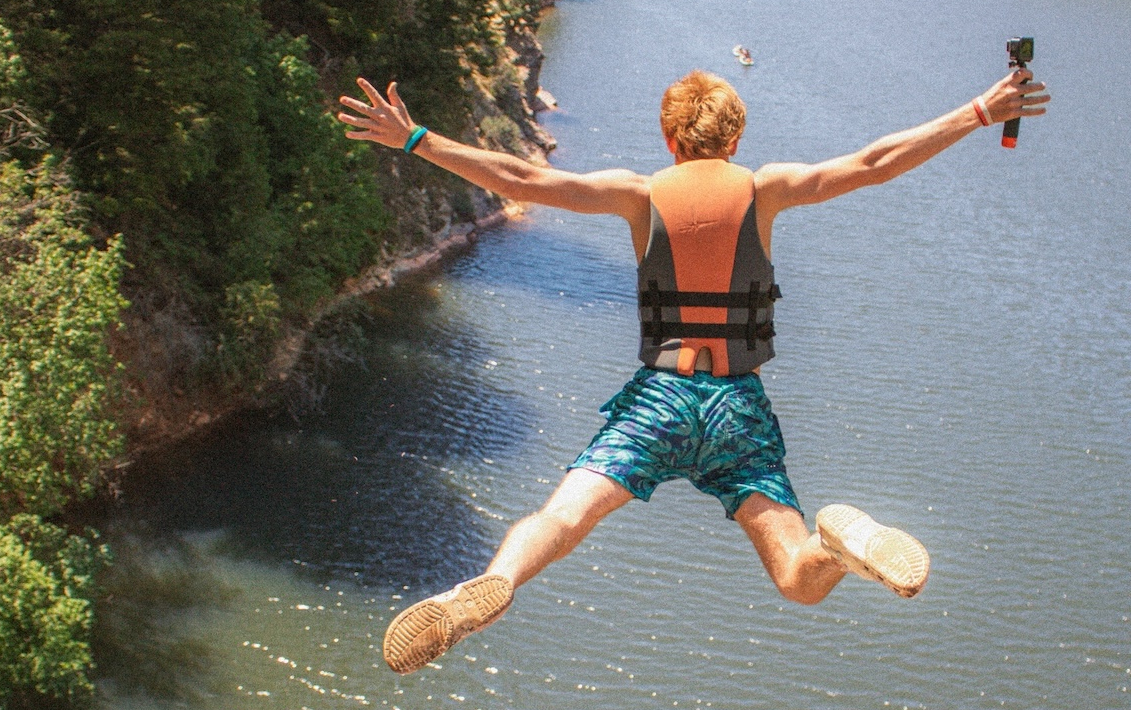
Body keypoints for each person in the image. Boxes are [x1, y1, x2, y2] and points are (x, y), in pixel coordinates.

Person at [339, 63, 1049, 671]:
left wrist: (413, 137)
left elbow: (522, 175)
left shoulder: (639, 196)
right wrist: (981, 110)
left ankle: (495, 579)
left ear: (668, 138)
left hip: (661, 400)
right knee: (799, 579)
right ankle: (840, 548)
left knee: (561, 517)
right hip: (738, 408)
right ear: (736, 137)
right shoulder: (765, 189)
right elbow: (872, 164)